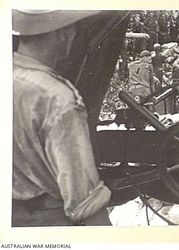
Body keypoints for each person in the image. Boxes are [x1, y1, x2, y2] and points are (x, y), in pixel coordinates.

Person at [12, 10, 112, 226]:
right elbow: (84, 202)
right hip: (46, 223)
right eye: (74, 28)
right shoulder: (56, 98)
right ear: (64, 33)